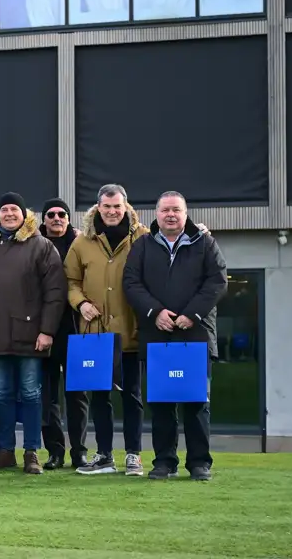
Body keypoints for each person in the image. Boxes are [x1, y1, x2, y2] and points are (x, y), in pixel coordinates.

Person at [123, 190, 227, 481]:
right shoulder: (143, 245)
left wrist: (191, 314)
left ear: (185, 213)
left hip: (195, 337)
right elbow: (131, 283)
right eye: (165, 210)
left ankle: (199, 463)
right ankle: (164, 462)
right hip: (158, 337)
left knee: (197, 403)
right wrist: (155, 312)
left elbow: (217, 282)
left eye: (176, 210)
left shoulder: (205, 243)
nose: (171, 215)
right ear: (156, 214)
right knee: (161, 404)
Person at [0, 192, 66, 475]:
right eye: (4, 210)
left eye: (14, 209)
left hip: (30, 336)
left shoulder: (42, 246)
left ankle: (31, 452)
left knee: (31, 394)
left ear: (25, 214)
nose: (9, 214)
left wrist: (47, 331)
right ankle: (4, 451)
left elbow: (55, 293)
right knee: (1, 394)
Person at [66, 184, 151, 477]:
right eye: (107, 206)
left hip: (131, 330)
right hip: (96, 334)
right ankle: (104, 456)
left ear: (126, 207)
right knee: (100, 397)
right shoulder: (82, 242)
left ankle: (133, 456)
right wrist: (80, 304)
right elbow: (71, 281)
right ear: (98, 207)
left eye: (117, 206)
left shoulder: (143, 238)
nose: (112, 211)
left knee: (132, 396)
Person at [37, 197, 89, 470]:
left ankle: (79, 451)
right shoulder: (34, 245)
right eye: (51, 214)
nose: (56, 218)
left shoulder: (82, 244)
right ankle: (55, 451)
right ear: (43, 219)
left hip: (76, 330)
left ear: (69, 219)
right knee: (47, 397)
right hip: (43, 331)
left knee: (77, 395)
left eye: (62, 214)